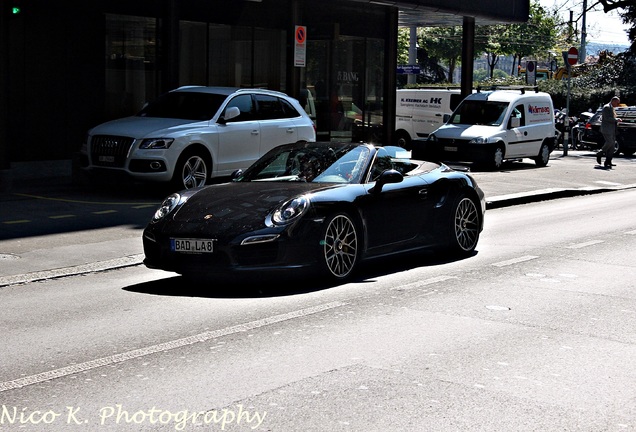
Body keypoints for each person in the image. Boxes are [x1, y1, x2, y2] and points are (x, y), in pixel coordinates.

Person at [596, 96, 622, 168]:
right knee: (609, 142)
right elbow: (607, 118)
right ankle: (600, 153)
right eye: (617, 102)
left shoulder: (611, 107)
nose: (617, 104)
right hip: (607, 129)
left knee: (612, 146)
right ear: (613, 101)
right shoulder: (607, 107)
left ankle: (608, 161)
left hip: (612, 129)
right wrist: (616, 119)